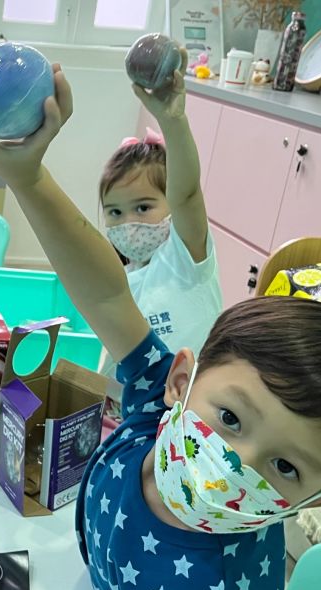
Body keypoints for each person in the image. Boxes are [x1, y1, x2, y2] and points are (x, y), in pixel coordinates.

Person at [0, 63, 321, 590]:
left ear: (319, 500)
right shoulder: (152, 407)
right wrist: (25, 177)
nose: (234, 465)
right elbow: (107, 294)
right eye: (230, 418)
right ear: (180, 381)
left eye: (285, 467)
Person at [96, 47, 222, 378]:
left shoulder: (185, 259)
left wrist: (172, 121)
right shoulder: (123, 276)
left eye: (143, 207)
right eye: (115, 212)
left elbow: (187, 194)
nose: (129, 223)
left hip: (190, 401)